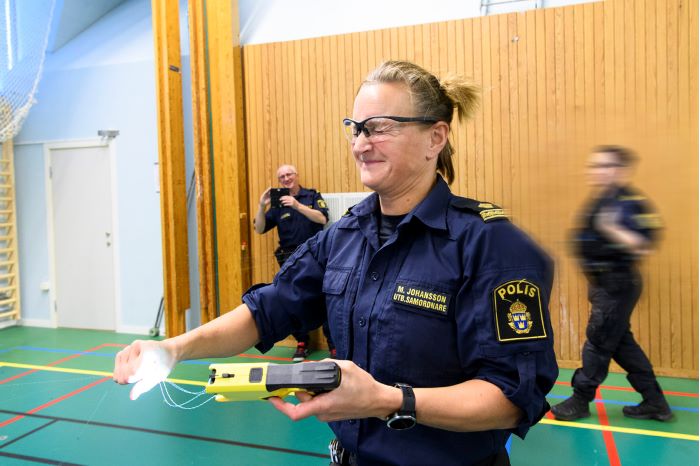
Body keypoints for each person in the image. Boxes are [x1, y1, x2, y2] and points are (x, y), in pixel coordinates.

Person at [114, 60, 558, 466]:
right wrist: (173, 348)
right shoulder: (344, 236)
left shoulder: (489, 242)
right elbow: (267, 309)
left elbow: (511, 396)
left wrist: (389, 400)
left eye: (380, 127)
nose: (362, 144)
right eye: (356, 128)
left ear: (435, 138)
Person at [551, 145, 670, 422]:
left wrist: (612, 229)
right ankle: (655, 403)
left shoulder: (629, 203)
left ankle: (580, 400)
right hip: (604, 285)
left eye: (604, 166)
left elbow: (644, 246)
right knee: (621, 345)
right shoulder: (603, 200)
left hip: (618, 285)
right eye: (594, 166)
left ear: (620, 170)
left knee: (598, 342)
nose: (596, 172)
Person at [254, 164, 335, 360]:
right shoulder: (277, 204)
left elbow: (322, 219)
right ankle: (301, 343)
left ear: (296, 175)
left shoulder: (312, 196)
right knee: (292, 300)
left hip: (315, 256)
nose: (285, 179)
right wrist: (261, 205)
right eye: (281, 177)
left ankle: (333, 346)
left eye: (289, 174)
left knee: (325, 298)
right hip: (289, 259)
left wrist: (297, 206)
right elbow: (259, 228)